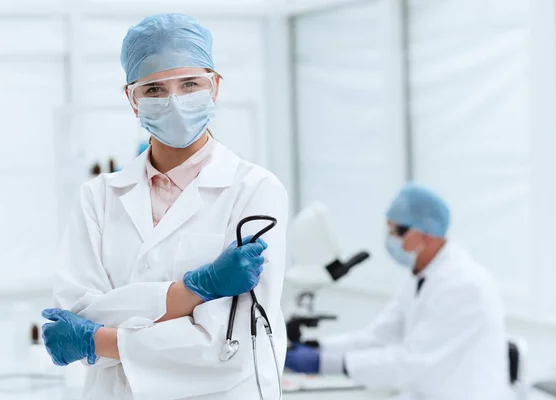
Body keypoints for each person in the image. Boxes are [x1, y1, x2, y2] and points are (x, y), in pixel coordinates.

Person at [41, 14, 288, 400]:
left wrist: (96, 342)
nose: (174, 101)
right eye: (154, 89)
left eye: (190, 84)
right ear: (131, 99)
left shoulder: (255, 190)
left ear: (215, 87)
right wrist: (194, 293)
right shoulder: (98, 197)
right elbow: (79, 314)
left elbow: (226, 347)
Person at [285, 183, 509, 400]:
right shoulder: (421, 276)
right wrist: (319, 347)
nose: (390, 238)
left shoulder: (463, 284)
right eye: (389, 229)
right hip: (424, 392)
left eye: (397, 231)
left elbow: (413, 360)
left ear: (426, 235)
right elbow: (379, 336)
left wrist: (325, 363)